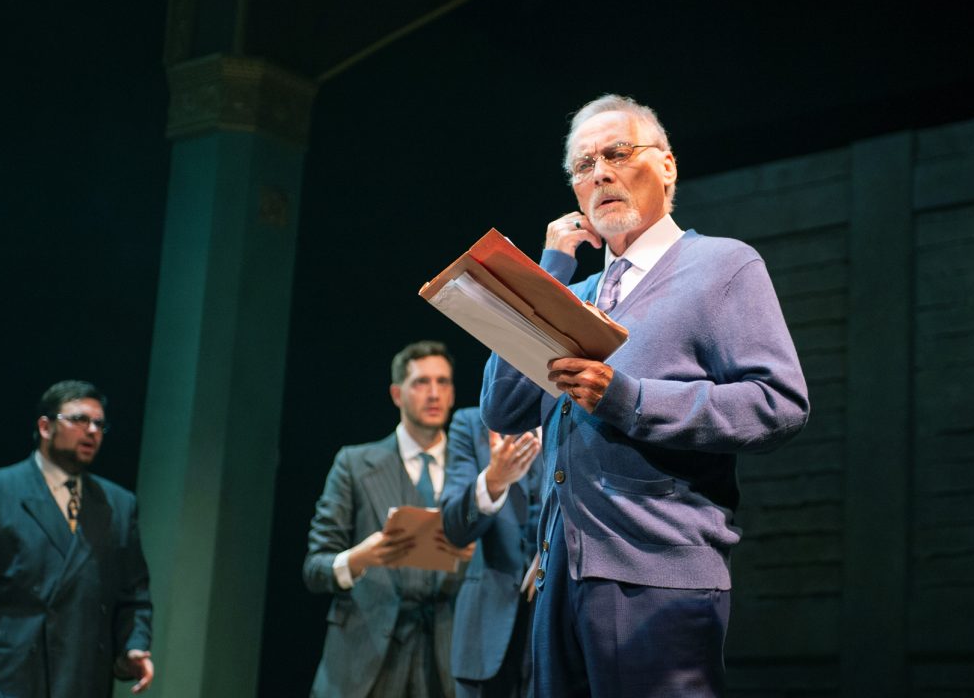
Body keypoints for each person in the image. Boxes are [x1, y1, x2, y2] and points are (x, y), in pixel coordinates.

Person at [480, 94, 810, 697]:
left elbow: (779, 404)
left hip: (657, 574)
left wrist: (629, 398)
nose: (600, 172)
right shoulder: (574, 292)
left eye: (618, 153)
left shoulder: (721, 266)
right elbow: (503, 409)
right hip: (560, 573)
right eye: (583, 166)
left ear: (667, 166)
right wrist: (547, 272)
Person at [304, 340, 471, 698]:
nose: (433, 393)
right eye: (421, 382)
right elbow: (314, 568)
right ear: (397, 394)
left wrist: (472, 556)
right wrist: (359, 558)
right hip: (366, 654)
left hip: (445, 656)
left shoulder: (472, 472)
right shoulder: (354, 465)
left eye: (443, 382)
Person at [0, 380, 155, 697]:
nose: (92, 431)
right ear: (45, 427)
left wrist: (134, 646)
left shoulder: (118, 503)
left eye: (99, 423)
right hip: (11, 675)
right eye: (79, 419)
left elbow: (134, 592)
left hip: (82, 675)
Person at [440, 408, 543, 698]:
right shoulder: (471, 424)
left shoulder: (578, 420)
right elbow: (455, 529)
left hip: (554, 630)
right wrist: (494, 481)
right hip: (485, 631)